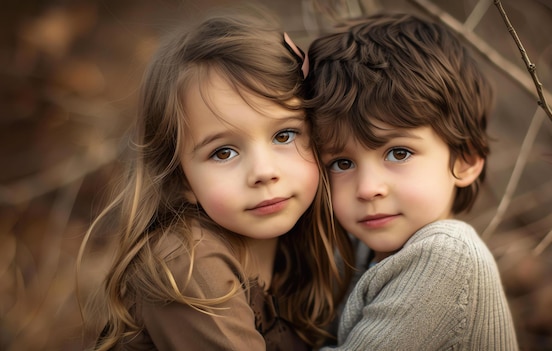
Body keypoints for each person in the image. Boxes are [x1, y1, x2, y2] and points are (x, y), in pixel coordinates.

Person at [78, 7, 353, 351]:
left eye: (284, 135)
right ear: (182, 180)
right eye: (224, 152)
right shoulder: (186, 264)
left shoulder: (310, 248)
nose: (264, 172)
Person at [304, 13, 519, 350]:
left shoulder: (448, 256)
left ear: (465, 159)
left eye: (399, 153)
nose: (367, 188)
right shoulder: (360, 248)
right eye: (342, 163)